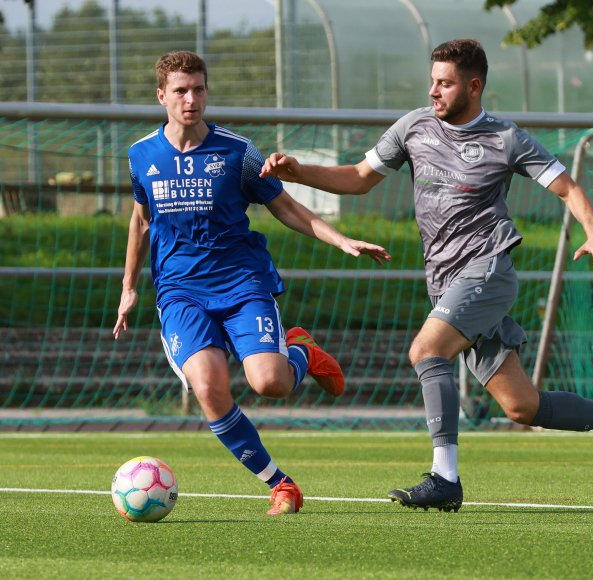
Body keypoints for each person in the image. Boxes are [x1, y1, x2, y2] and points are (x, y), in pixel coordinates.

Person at [259, 39, 593, 512]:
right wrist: (299, 173)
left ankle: (445, 478)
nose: (434, 90)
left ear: (474, 85)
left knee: (426, 350)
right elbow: (359, 177)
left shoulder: (505, 138)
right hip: (445, 281)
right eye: (433, 81)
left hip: (487, 269)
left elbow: (566, 187)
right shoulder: (414, 126)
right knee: (524, 406)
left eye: (445, 83)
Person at [113, 51, 390, 516]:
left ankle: (301, 350)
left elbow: (286, 208)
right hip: (180, 292)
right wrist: (129, 287)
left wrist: (341, 240)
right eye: (180, 90)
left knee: (270, 384)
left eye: (199, 88)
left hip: (242, 284)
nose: (191, 99)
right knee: (208, 387)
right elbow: (141, 221)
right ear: (161, 95)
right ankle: (280, 484)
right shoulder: (141, 155)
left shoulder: (238, 153)